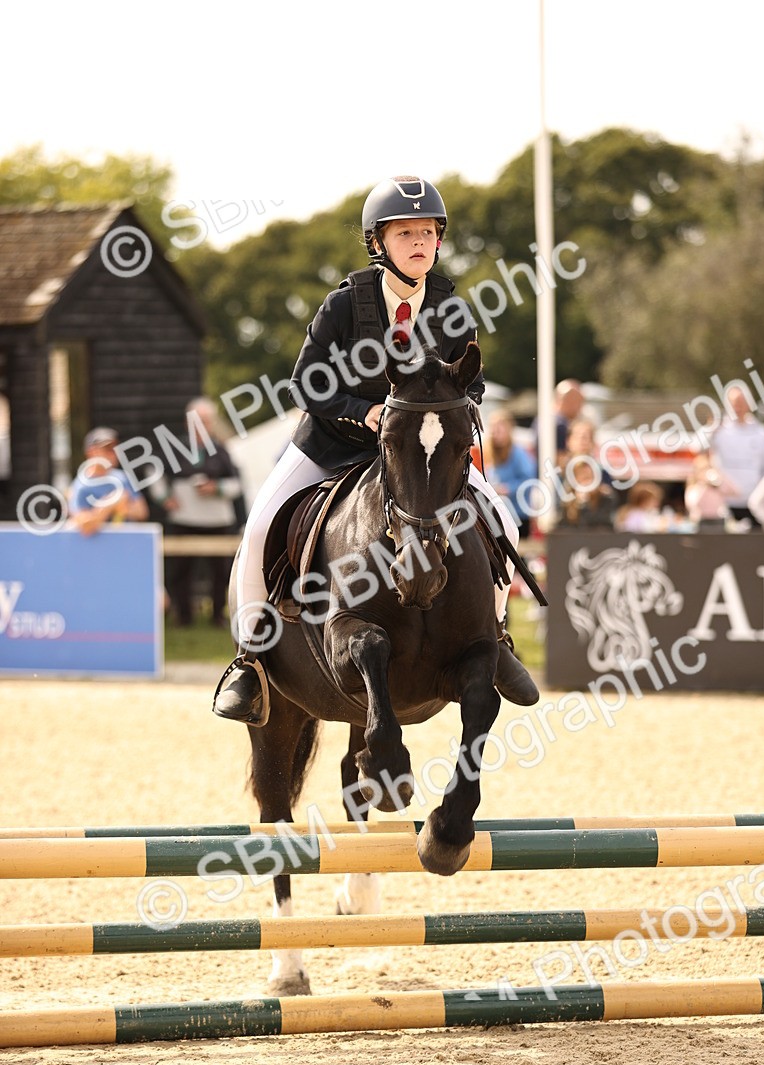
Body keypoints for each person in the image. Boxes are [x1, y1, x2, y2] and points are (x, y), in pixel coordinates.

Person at [213, 175, 538, 722]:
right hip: (333, 444)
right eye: (405, 233)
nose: (419, 242)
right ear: (378, 242)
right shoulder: (345, 305)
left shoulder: (451, 308)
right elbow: (304, 383)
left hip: (417, 459)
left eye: (428, 232)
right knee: (261, 524)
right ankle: (250, 661)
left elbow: (472, 383)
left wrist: (453, 413)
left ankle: (498, 637)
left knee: (503, 522)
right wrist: (360, 409)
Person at [156, 398, 244, 627]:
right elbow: (153, 476)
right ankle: (183, 616)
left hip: (218, 521)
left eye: (204, 421)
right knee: (180, 571)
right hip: (183, 519)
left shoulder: (222, 451)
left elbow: (236, 485)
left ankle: (218, 615)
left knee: (221, 571)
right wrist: (165, 498)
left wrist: (216, 488)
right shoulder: (173, 449)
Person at [710, 385, 764, 525]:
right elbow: (702, 456)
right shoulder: (718, 431)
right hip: (725, 504)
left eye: (741, 402)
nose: (737, 407)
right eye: (734, 403)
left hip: (755, 504)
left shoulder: (762, 433)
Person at [68, 427, 149, 534]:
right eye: (108, 449)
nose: (113, 454)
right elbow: (85, 525)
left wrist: (124, 509)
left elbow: (142, 513)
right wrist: (111, 503)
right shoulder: (80, 486)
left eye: (116, 449)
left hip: (124, 542)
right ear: (91, 452)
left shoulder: (123, 478)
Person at [483, 409, 537, 536]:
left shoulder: (518, 453)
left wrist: (507, 489)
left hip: (518, 515)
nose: (495, 432)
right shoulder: (489, 453)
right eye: (493, 428)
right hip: (498, 513)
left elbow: (529, 480)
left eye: (500, 428)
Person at [683, 451, 739, 529]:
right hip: (701, 522)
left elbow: (735, 492)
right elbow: (694, 504)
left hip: (718, 521)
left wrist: (720, 478)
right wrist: (704, 485)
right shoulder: (694, 487)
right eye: (703, 469)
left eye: (708, 467)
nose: (706, 471)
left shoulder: (717, 485)